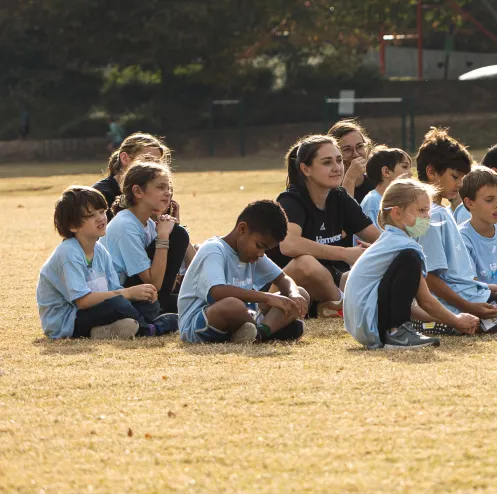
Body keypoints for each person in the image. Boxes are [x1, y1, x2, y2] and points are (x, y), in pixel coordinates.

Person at [343, 178, 478, 349]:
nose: (427, 217)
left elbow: (403, 303)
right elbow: (425, 300)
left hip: (363, 326)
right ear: (397, 213)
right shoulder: (406, 247)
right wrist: (457, 320)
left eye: (428, 211)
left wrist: (448, 319)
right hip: (372, 320)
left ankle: (398, 330)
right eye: (421, 211)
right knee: (411, 257)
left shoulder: (389, 240)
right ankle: (398, 332)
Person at [270, 134, 381, 317]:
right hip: (285, 287)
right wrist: (345, 254)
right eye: (327, 162)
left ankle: (335, 305)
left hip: (331, 281)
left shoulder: (340, 197)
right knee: (305, 263)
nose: (337, 168)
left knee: (357, 272)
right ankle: (343, 306)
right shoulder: (291, 200)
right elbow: (289, 245)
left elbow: (378, 237)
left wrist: (377, 250)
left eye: (339, 160)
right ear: (306, 169)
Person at [177, 200, 308, 345]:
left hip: (246, 316)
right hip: (200, 323)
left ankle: (260, 334)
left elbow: (283, 278)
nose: (260, 254)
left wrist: (293, 294)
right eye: (259, 246)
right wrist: (266, 297)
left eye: (265, 250)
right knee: (232, 305)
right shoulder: (214, 250)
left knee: (301, 293)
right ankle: (267, 332)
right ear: (242, 229)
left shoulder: (251, 254)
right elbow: (217, 292)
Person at [413, 127, 497, 332]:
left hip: (468, 296)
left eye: (462, 178)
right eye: (455, 176)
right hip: (454, 307)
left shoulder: (441, 210)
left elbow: (453, 273)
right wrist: (469, 308)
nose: (460, 184)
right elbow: (430, 279)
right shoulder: (431, 215)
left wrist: (484, 287)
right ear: (431, 172)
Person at [37, 186, 146, 340]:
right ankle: (150, 328)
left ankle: (100, 331)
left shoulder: (100, 251)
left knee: (147, 304)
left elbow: (114, 290)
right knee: (118, 305)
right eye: (91, 215)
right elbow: (82, 301)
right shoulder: (68, 252)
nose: (101, 218)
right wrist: (128, 294)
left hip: (93, 312)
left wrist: (139, 295)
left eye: (102, 211)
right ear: (72, 226)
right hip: (68, 322)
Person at [101, 160, 186, 332]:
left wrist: (168, 224)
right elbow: (153, 281)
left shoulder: (147, 223)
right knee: (177, 235)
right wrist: (164, 235)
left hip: (143, 293)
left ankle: (158, 313)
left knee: (189, 303)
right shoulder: (126, 225)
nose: (168, 193)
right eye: (161, 187)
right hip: (116, 297)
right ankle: (152, 317)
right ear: (138, 191)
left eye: (168, 188)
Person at [456, 167, 497, 296]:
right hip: (479, 302)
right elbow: (471, 286)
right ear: (469, 203)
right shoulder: (462, 238)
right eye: (489, 200)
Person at [90, 133, 169, 217]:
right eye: (147, 159)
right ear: (124, 158)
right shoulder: (101, 195)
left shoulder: (156, 192)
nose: (154, 167)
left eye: (158, 162)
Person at [358, 146, 413, 228]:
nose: (411, 173)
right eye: (404, 167)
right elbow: (375, 239)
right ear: (386, 172)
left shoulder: (401, 201)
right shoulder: (373, 202)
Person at [331, 119, 373, 200]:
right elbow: (345, 211)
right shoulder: (329, 186)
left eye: (360, 146)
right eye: (347, 149)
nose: (356, 154)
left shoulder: (376, 182)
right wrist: (351, 177)